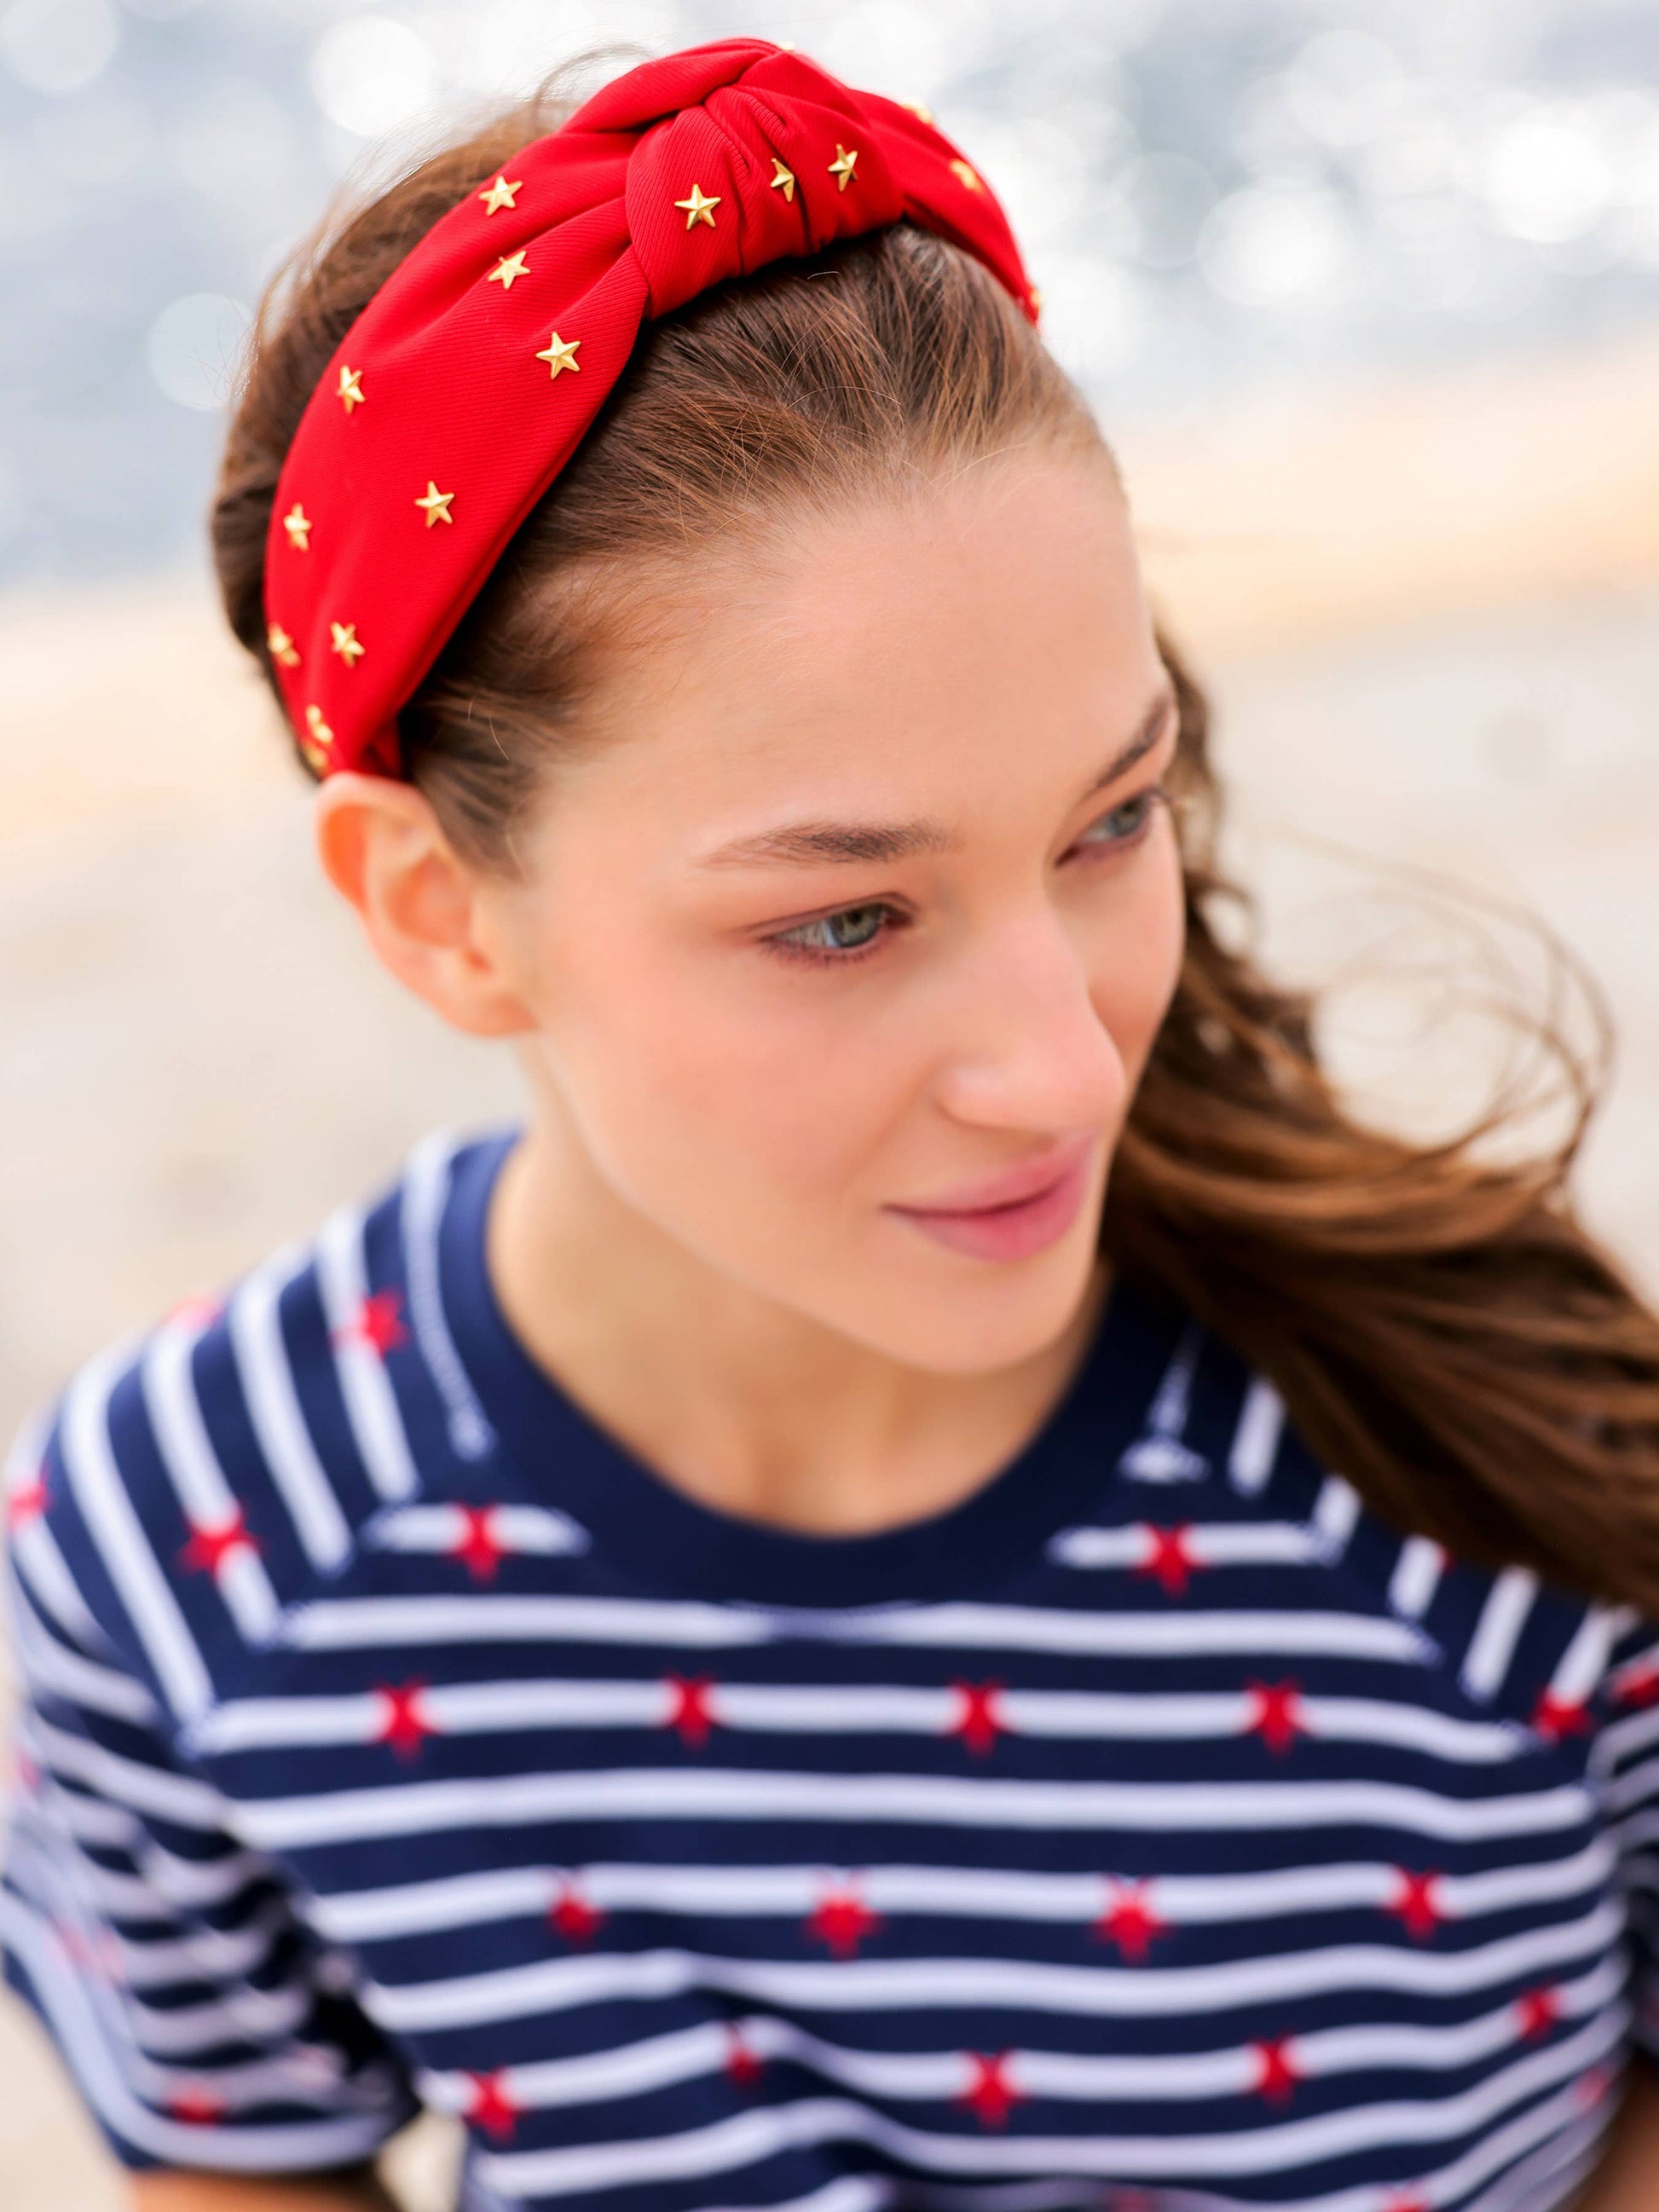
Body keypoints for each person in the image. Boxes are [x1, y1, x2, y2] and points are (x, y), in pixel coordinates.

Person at [3, 33, 1659, 2212]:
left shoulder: (1497, 1453)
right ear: (441, 911)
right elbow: (241, 2165)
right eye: (849, 915)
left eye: (1107, 818)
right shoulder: (189, 1554)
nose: (1065, 1060)